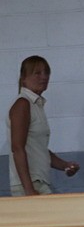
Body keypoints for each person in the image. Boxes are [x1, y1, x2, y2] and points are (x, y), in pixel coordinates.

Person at [8, 55, 79, 196]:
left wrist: (64, 165)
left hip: (38, 182)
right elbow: (17, 148)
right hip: (31, 185)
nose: (44, 77)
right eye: (37, 73)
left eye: (47, 72)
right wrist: (29, 190)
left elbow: (39, 149)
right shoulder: (23, 104)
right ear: (24, 77)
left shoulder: (36, 105)